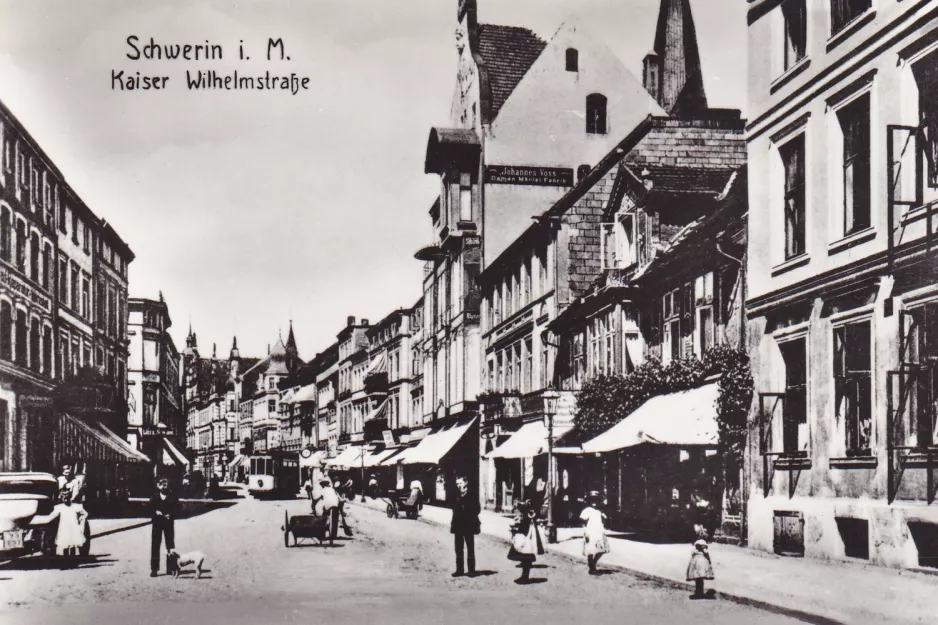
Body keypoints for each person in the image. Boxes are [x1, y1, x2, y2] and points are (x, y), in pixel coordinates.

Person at [30, 488, 88, 559]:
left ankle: (72, 561)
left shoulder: (76, 506)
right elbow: (51, 517)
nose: (65, 499)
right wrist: (39, 519)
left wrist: (81, 519)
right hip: (64, 528)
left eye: (67, 497)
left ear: (70, 497)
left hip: (73, 527)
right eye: (63, 497)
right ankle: (66, 562)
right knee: (65, 545)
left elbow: (85, 513)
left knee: (73, 544)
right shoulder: (59, 507)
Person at [449, 475, 480, 577]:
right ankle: (459, 570)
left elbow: (477, 509)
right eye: (457, 484)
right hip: (458, 524)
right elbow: (452, 506)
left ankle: (471, 570)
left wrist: (468, 512)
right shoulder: (455, 494)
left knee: (470, 548)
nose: (458, 485)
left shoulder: (472, 494)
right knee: (458, 548)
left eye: (460, 483)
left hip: (468, 524)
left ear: (466, 483)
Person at [507, 499, 543, 583]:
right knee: (526, 560)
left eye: (518, 510)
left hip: (526, 542)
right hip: (528, 541)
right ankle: (524, 576)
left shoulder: (526, 519)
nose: (517, 512)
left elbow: (523, 530)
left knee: (525, 559)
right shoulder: (528, 518)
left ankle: (525, 577)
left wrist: (515, 530)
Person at [149, 478, 178, 577]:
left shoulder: (172, 497)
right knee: (155, 545)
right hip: (157, 523)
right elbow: (149, 508)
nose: (163, 487)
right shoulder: (154, 496)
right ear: (158, 486)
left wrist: (171, 514)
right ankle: (154, 569)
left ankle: (170, 568)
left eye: (165, 485)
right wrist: (155, 512)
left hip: (168, 524)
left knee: (170, 545)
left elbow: (178, 509)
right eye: (161, 485)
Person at [580, 491, 610, 575]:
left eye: (596, 500)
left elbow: (604, 519)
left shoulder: (599, 511)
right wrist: (585, 531)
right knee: (591, 550)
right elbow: (582, 521)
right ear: (589, 501)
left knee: (601, 550)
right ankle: (592, 568)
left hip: (599, 532)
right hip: (590, 532)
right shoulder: (587, 510)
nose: (594, 502)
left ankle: (593, 563)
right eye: (592, 500)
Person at [686, 524, 714, 599]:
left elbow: (703, 551)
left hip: (697, 561)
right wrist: (708, 559)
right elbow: (705, 551)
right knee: (699, 578)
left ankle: (699, 592)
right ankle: (699, 591)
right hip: (699, 561)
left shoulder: (699, 542)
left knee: (698, 578)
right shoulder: (701, 541)